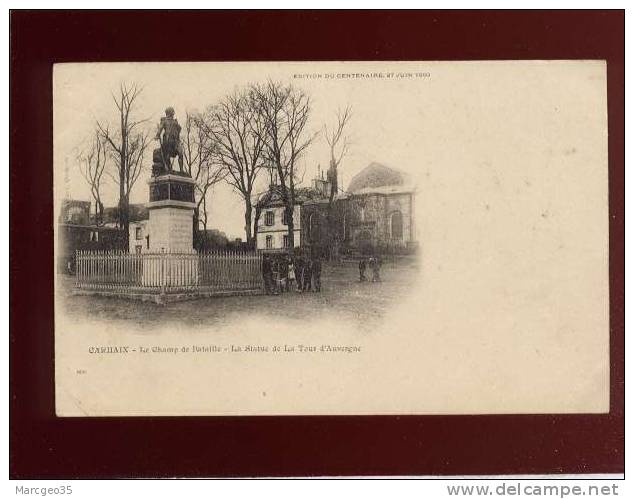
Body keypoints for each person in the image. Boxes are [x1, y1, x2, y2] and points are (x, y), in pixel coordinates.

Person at [155, 107, 184, 173]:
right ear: (169, 112)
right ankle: (168, 169)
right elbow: (160, 128)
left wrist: (178, 127)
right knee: (167, 155)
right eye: (172, 112)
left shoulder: (175, 121)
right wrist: (157, 135)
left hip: (176, 141)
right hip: (168, 141)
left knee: (180, 153)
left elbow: (179, 129)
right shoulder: (164, 120)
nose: (173, 113)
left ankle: (181, 170)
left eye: (173, 112)